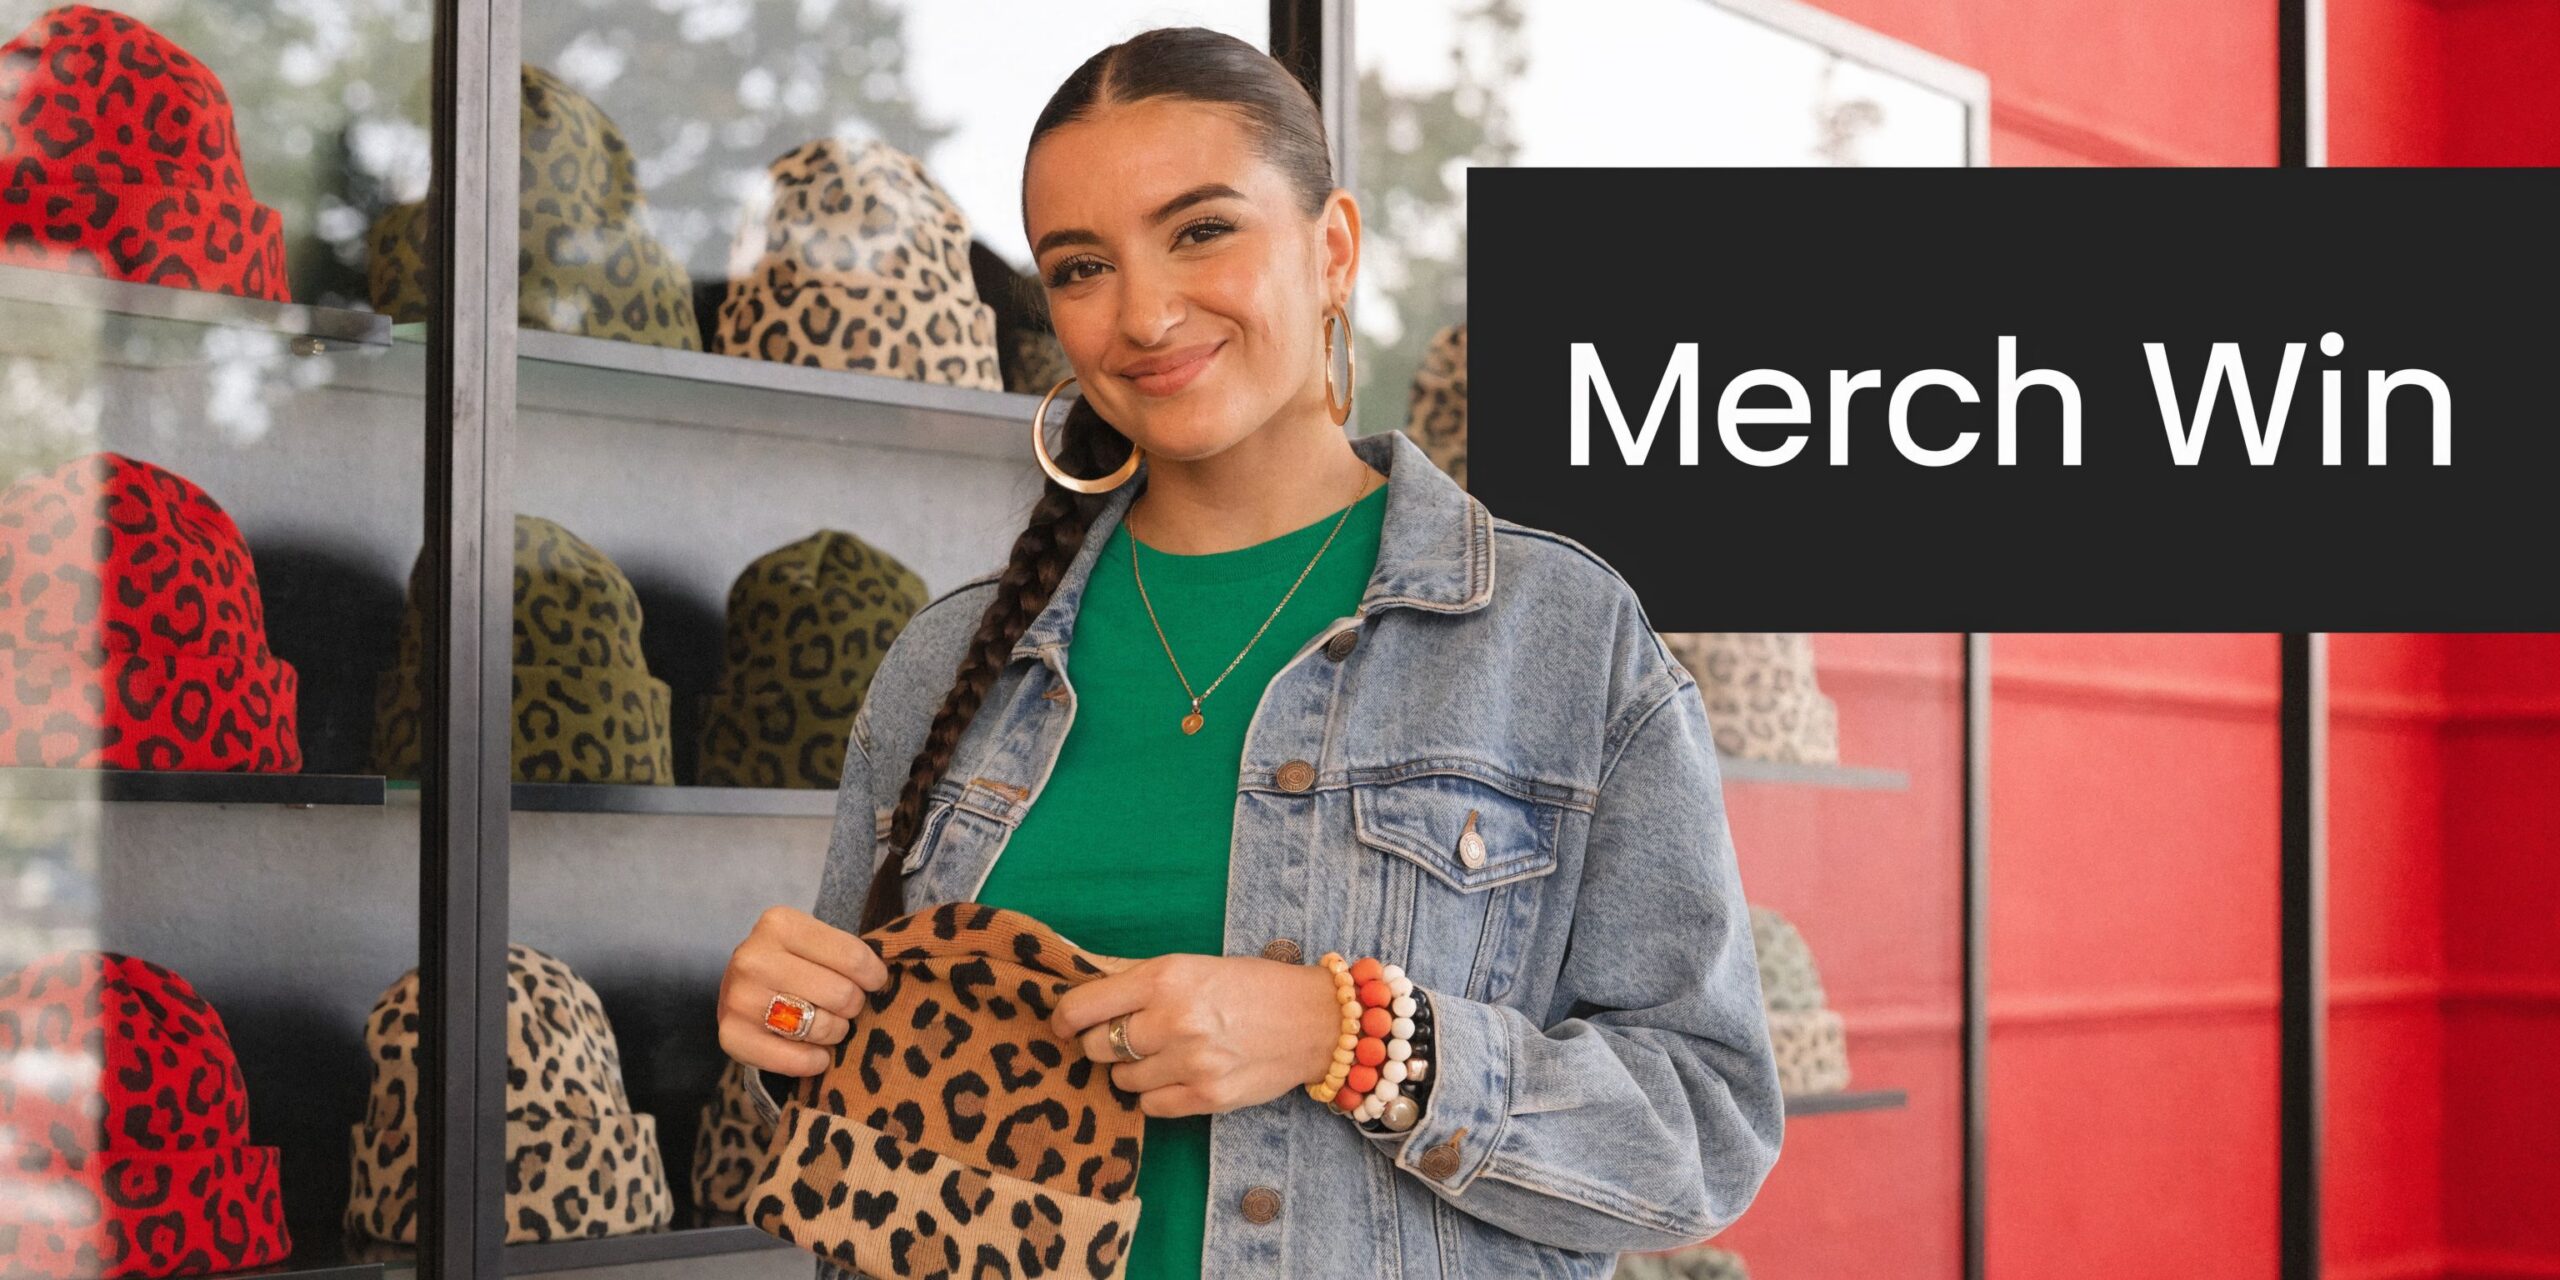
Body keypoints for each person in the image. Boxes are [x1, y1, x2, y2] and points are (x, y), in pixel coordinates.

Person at [714, 25, 1783, 1279]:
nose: (1144, 312)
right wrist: (785, 1030)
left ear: (1332, 248)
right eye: (1079, 266)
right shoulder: (953, 657)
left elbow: (1704, 1134)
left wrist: (1348, 1035)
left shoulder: (1560, 638)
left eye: (1202, 230)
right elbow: (853, 1127)